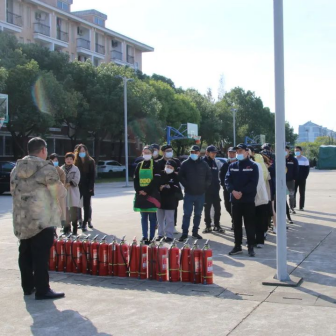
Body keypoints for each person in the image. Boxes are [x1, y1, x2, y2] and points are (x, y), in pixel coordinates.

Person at [10, 137, 66, 300]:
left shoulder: (16, 169)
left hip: (22, 219)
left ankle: (28, 287)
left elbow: (12, 190)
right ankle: (43, 289)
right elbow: (59, 192)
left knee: (25, 253)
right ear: (42, 150)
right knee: (41, 256)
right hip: (42, 219)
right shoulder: (46, 168)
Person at [225, 143, 259, 257]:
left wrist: (242, 192)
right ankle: (237, 246)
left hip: (248, 200)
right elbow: (227, 181)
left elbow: (253, 183)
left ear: (246, 152)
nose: (238, 153)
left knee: (249, 224)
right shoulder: (232, 166)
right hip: (235, 200)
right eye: (237, 151)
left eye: (240, 151)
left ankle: (250, 246)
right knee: (237, 224)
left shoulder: (253, 166)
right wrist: (233, 191)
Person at [178, 145, 212, 242]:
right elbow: (180, 176)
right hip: (189, 193)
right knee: (187, 214)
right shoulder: (185, 164)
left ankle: (195, 232)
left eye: (196, 152)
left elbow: (209, 177)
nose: (194, 154)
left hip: (200, 194)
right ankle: (184, 234)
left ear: (199, 153)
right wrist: (186, 185)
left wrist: (205, 186)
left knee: (198, 214)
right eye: (192, 152)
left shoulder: (204, 164)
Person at [133, 146, 161, 244]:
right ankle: (144, 236)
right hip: (141, 195)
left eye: (148, 152)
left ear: (152, 153)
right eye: (145, 152)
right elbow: (135, 179)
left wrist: (147, 191)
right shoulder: (139, 165)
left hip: (151, 195)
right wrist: (139, 190)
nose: (146, 154)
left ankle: (152, 237)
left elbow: (156, 180)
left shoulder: (156, 165)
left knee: (152, 218)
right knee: (143, 217)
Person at [248, 147, 269, 248]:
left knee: (259, 220)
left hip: (259, 197)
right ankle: (251, 240)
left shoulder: (257, 165)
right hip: (248, 198)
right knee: (250, 220)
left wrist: (251, 193)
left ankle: (260, 240)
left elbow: (260, 181)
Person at [157, 144, 181, 234]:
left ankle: (172, 226)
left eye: (171, 150)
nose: (170, 152)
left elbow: (179, 173)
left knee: (173, 208)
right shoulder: (159, 163)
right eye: (167, 151)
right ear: (163, 152)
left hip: (173, 190)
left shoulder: (176, 161)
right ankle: (161, 229)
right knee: (161, 211)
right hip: (162, 192)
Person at [202, 145, 224, 233]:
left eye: (215, 153)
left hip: (215, 189)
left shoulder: (216, 162)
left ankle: (217, 225)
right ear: (207, 152)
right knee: (207, 208)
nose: (214, 154)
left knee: (217, 208)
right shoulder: (203, 162)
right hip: (206, 190)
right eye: (212, 153)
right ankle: (208, 226)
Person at [74, 144, 95, 232]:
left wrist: (91, 186)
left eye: (83, 151)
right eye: (80, 151)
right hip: (78, 186)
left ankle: (85, 223)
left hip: (87, 186)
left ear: (86, 151)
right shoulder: (76, 161)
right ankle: (78, 221)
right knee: (77, 205)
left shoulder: (90, 161)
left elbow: (92, 175)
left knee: (86, 205)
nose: (82, 153)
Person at [61, 153, 81, 235]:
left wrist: (69, 184)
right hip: (64, 192)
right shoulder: (61, 169)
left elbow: (76, 180)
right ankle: (66, 229)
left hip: (73, 192)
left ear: (73, 160)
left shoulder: (76, 169)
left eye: (71, 159)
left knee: (73, 211)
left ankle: (75, 229)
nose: (69, 160)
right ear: (65, 160)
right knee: (65, 212)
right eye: (67, 159)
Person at [220, 147, 237, 230]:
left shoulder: (239, 163)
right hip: (227, 189)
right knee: (227, 206)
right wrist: (224, 185)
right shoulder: (225, 164)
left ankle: (235, 222)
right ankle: (234, 219)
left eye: (233, 153)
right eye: (230, 153)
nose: (232, 154)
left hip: (237, 190)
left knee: (236, 207)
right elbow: (221, 175)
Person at [50, 153, 66, 229]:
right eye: (53, 160)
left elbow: (63, 180)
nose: (55, 162)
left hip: (57, 193)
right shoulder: (46, 170)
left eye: (56, 160)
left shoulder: (60, 171)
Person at [294, 146, 310, 210]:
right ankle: (293, 206)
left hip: (302, 179)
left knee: (302, 193)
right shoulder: (294, 159)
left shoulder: (305, 159)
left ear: (301, 151)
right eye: (295, 151)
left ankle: (301, 206)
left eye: (297, 150)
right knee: (293, 193)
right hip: (294, 180)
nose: (296, 152)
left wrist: (304, 178)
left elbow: (307, 170)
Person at [285, 145, 299, 214]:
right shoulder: (279, 159)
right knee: (282, 195)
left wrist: (294, 178)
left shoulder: (293, 159)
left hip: (290, 180)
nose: (284, 151)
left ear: (289, 151)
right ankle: (284, 208)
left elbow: (296, 170)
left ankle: (291, 208)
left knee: (291, 195)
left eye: (286, 150)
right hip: (281, 181)